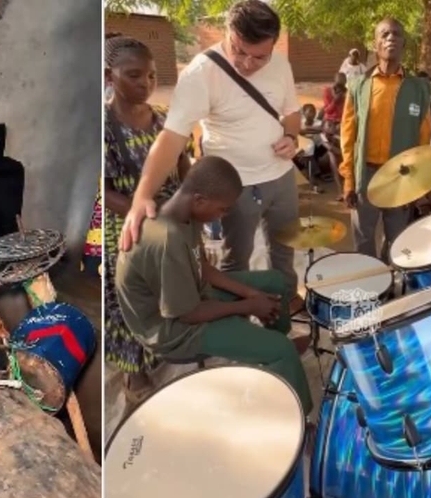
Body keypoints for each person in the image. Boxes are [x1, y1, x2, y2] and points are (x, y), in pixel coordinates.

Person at [118, 0, 307, 313]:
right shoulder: (202, 73)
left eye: (259, 56)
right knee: (237, 260)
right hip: (237, 188)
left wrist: (290, 136)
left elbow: (291, 112)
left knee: (285, 247)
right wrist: (142, 196)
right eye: (239, 50)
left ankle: (285, 303)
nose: (247, 63)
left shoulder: (280, 65)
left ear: (273, 44)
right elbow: (172, 137)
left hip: (281, 177)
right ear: (227, 32)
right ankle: (243, 323)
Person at [115, 155, 314, 416]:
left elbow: (203, 268)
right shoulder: (167, 239)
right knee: (282, 350)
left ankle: (275, 347)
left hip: (191, 297)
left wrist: (250, 293)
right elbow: (188, 313)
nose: (224, 215)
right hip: (173, 331)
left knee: (275, 283)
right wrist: (249, 305)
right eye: (222, 209)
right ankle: (301, 417)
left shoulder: (183, 213)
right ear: (199, 200)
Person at [103, 35, 191, 399]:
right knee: (130, 301)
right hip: (128, 225)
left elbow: (184, 166)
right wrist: (146, 215)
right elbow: (105, 192)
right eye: (134, 75)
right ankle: (133, 371)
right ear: (110, 75)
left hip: (170, 221)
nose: (146, 84)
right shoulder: (105, 128)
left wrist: (189, 209)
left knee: (165, 292)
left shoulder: (164, 121)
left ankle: (159, 346)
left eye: (152, 76)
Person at [339, 18, 431, 261]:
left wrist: (420, 186)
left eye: (396, 34)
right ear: (375, 43)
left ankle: (390, 283)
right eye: (384, 34)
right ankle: (368, 285)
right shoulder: (358, 86)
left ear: (404, 43)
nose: (390, 38)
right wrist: (349, 179)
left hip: (401, 177)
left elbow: (425, 141)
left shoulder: (418, 89)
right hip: (366, 176)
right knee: (363, 238)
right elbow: (348, 135)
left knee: (397, 239)